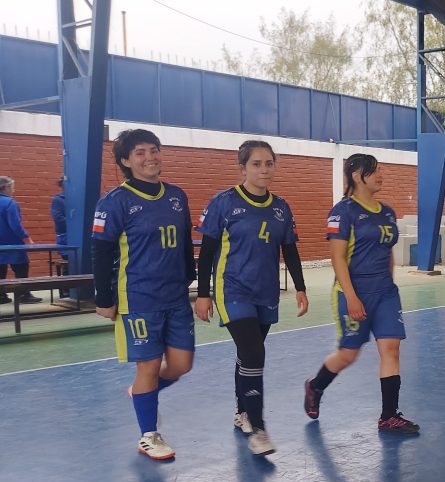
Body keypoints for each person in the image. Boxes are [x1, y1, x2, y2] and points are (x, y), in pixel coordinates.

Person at [195, 140, 309, 456]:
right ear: (242, 167)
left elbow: (290, 249)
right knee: (253, 351)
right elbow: (205, 254)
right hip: (232, 288)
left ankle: (242, 411)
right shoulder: (224, 203)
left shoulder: (281, 208)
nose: (263, 169)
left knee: (249, 354)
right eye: (256, 163)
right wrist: (203, 294)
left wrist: (300, 287)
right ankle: (258, 428)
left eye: (269, 163)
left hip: (266, 290)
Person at [91, 129, 195, 460]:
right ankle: (148, 435)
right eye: (140, 152)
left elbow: (183, 240)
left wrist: (190, 278)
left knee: (181, 364)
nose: (150, 157)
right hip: (138, 298)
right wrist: (104, 298)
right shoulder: (114, 202)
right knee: (148, 366)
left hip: (175, 297)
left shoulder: (177, 195)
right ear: (125, 160)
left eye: (154, 149)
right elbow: (102, 253)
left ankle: (141, 394)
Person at [303, 154, 419, 433]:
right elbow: (338, 258)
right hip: (353, 291)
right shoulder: (343, 212)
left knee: (391, 348)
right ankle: (316, 386)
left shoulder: (387, 211)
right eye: (375, 171)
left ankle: (389, 416)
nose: (381, 175)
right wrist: (353, 297)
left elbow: (387, 250)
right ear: (357, 176)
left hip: (385, 292)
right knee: (348, 354)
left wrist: (389, 286)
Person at [0, 176, 42, 305]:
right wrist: (26, 237)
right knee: (21, 268)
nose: (13, 190)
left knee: (0, 269)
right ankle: (23, 294)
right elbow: (15, 225)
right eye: (12, 187)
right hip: (12, 243)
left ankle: (1, 296)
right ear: (5, 187)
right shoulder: (9, 203)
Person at [50, 179, 69, 297]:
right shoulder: (58, 200)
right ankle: (66, 289)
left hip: (79, 237)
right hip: (65, 237)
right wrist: (76, 225)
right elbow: (58, 219)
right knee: (69, 263)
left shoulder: (77, 198)